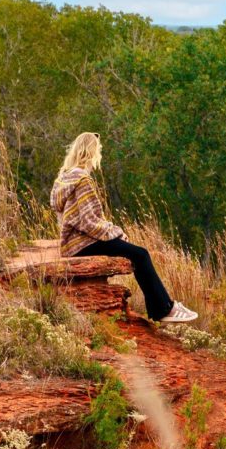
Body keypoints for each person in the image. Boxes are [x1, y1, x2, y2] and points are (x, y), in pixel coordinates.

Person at [50, 132, 197, 323]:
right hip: (83, 243)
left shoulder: (64, 178)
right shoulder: (83, 180)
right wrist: (116, 232)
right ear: (92, 152)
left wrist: (112, 234)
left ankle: (163, 308)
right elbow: (88, 222)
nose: (99, 155)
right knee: (140, 254)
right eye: (99, 151)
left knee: (136, 253)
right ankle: (163, 309)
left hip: (73, 243)